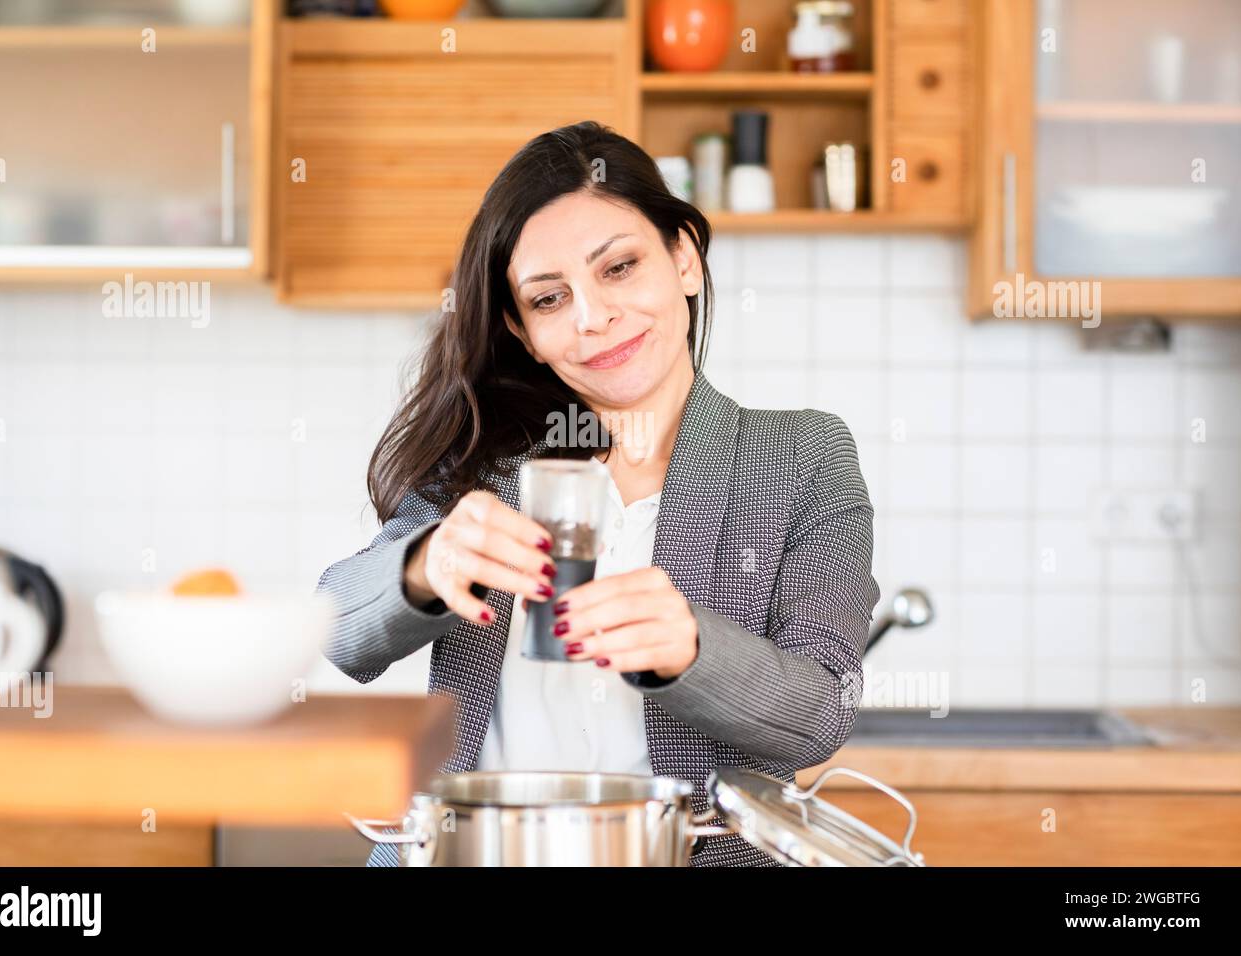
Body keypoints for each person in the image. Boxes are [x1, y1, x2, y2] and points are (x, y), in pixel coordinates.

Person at [316, 120, 880, 867]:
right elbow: (338, 632)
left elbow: (818, 715)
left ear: (684, 258)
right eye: (549, 299)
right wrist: (427, 565)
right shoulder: (481, 462)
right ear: (521, 329)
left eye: (618, 268)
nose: (592, 317)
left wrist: (692, 651)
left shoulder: (802, 455)